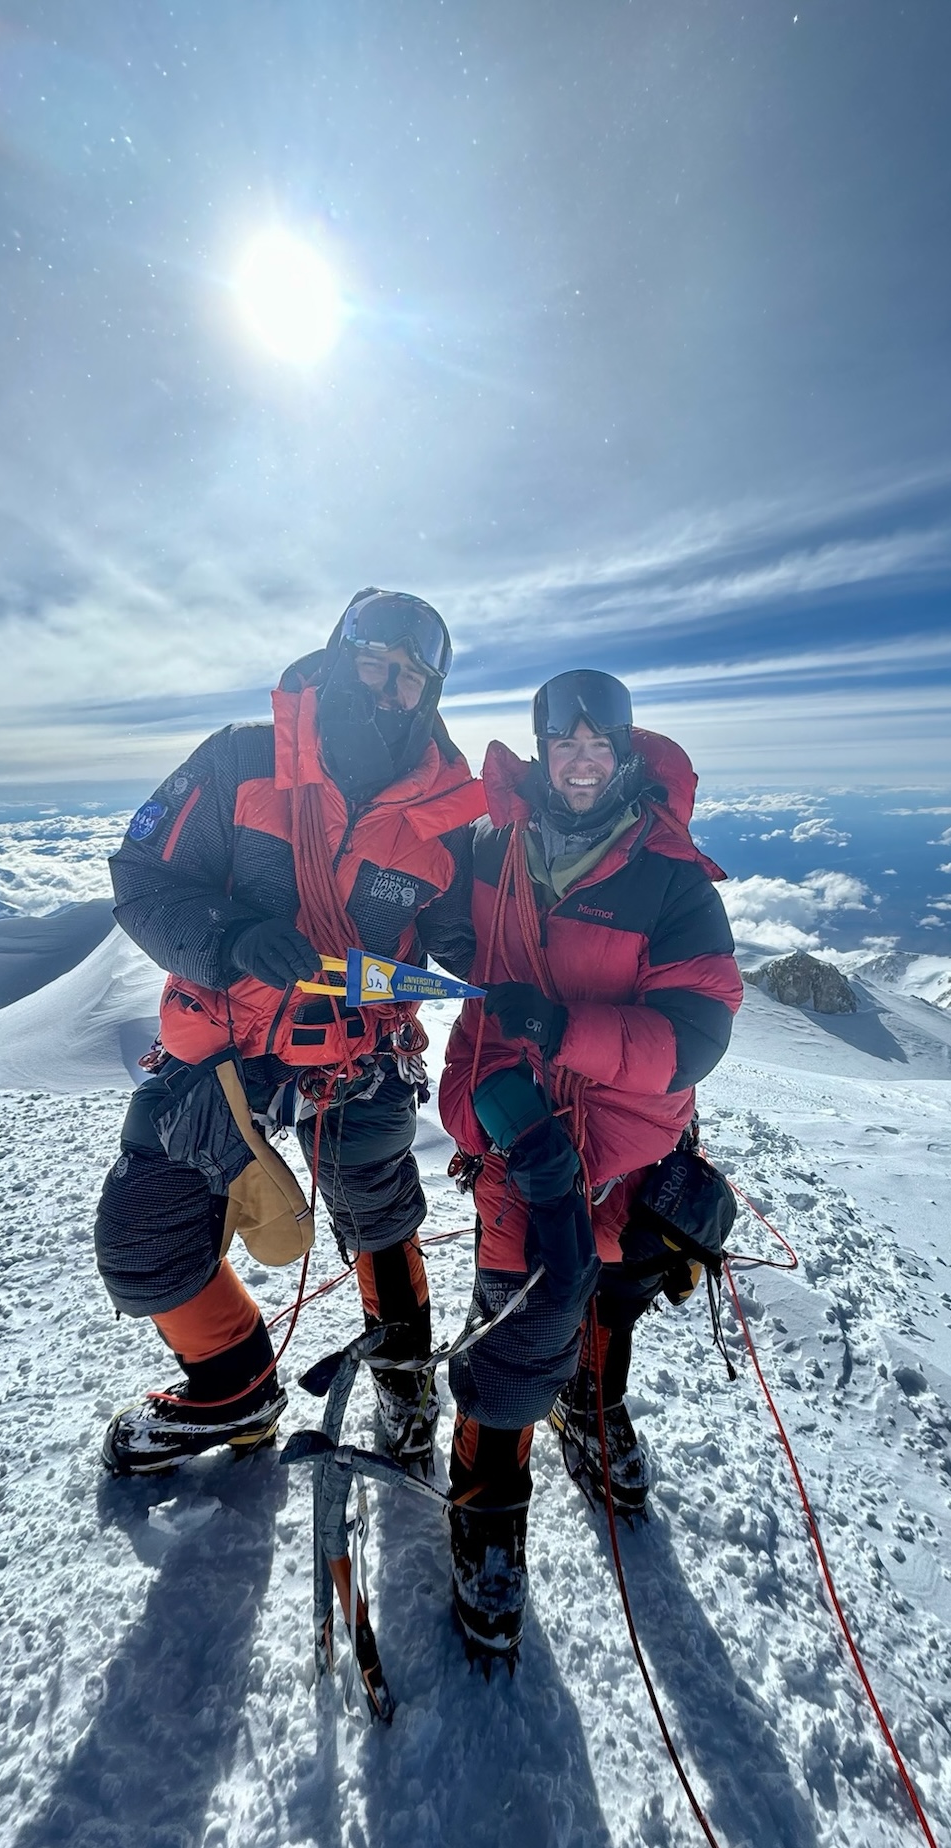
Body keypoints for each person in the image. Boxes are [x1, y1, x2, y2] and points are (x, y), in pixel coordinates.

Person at [95, 588, 484, 1477]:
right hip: (229, 1041)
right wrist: (230, 937)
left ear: (427, 696)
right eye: (376, 662)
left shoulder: (445, 817)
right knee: (143, 1229)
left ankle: (407, 1383)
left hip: (356, 1049)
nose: (389, 689)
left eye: (411, 679)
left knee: (378, 1214)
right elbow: (142, 876)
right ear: (340, 653)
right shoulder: (240, 760)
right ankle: (234, 1389)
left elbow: (465, 931)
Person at [437, 669, 742, 1663]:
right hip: (520, 1146)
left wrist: (565, 1027)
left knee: (603, 1304)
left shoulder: (670, 879)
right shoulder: (490, 852)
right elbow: (455, 972)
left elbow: (692, 1036)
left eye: (595, 744)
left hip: (620, 1150)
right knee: (510, 1327)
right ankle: (486, 1519)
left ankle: (590, 1406)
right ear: (539, 750)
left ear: (621, 755)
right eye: (559, 742)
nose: (577, 759)